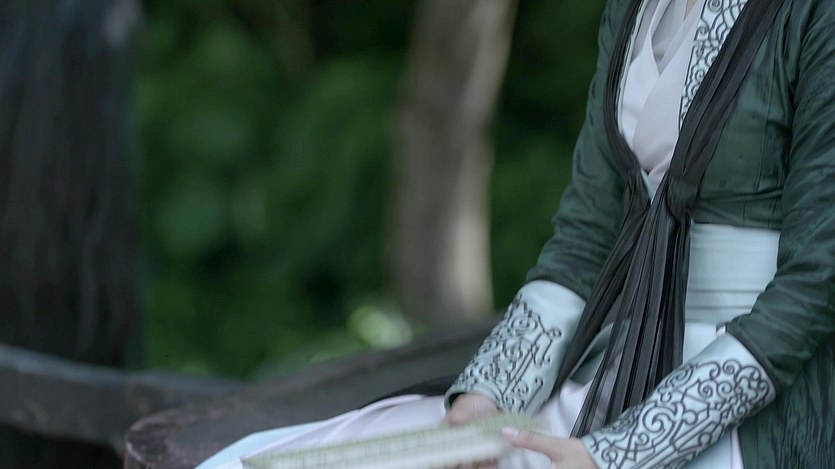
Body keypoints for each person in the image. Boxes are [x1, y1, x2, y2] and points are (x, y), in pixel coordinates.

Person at [199, 0, 835, 467]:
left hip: (750, 406)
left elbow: (814, 284)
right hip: (610, 363)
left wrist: (621, 453)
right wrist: (488, 396)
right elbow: (586, 238)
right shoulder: (633, 9)